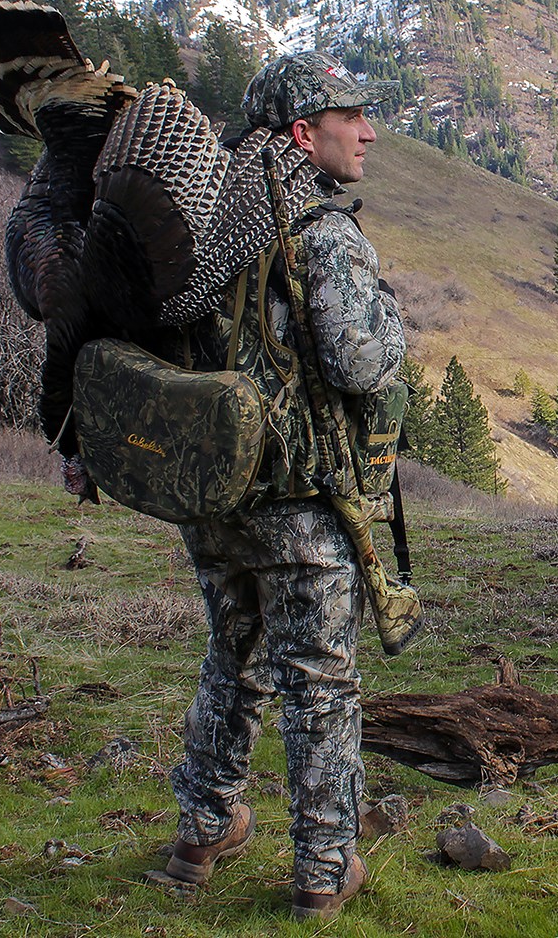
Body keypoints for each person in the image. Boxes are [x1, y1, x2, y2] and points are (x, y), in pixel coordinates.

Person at [159, 51, 405, 921]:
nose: (368, 133)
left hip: (213, 496)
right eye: (351, 118)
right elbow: (359, 361)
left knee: (233, 657)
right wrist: (393, 317)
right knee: (321, 684)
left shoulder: (203, 226)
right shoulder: (321, 232)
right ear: (304, 133)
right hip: (301, 504)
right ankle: (324, 869)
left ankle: (201, 832)